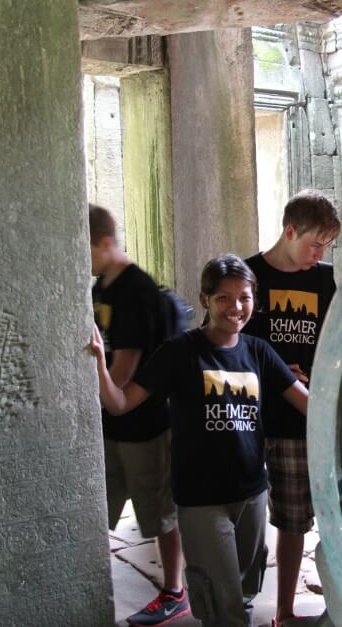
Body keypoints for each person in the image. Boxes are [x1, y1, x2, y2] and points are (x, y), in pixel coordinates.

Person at [92, 254, 307, 627]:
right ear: (205, 299)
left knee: (244, 591)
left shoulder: (258, 351)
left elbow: (307, 403)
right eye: (224, 297)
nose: (236, 307)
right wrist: (98, 363)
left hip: (252, 493)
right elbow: (121, 403)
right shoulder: (181, 352)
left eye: (244, 297)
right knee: (221, 601)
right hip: (201, 500)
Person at [244, 189, 342, 625]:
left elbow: (334, 343)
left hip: (301, 421)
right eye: (314, 244)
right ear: (289, 231)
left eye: (326, 246)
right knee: (247, 516)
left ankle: (286, 613)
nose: (319, 254)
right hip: (253, 416)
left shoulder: (323, 280)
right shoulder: (247, 276)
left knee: (295, 519)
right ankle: (247, 603)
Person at [88, 205, 189, 625]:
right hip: (110, 420)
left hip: (144, 423)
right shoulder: (102, 286)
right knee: (105, 506)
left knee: (160, 512)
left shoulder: (135, 290)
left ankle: (175, 590)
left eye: (86, 248)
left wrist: (99, 401)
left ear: (106, 243)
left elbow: (125, 368)